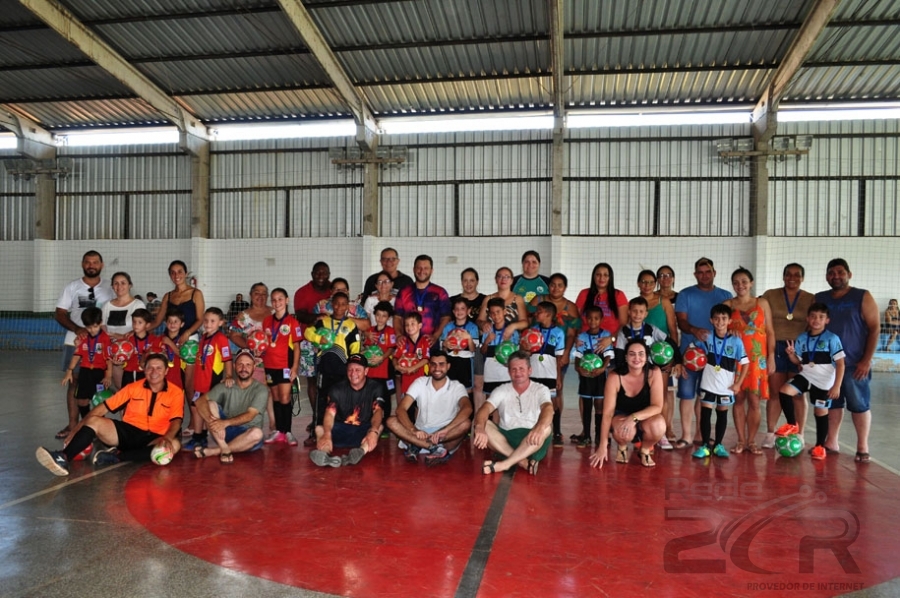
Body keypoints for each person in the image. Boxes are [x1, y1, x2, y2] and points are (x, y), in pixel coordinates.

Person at [36, 353, 184, 476]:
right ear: (144, 370)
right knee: (94, 420)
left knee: (175, 444)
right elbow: (102, 408)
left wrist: (167, 438)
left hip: (155, 438)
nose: (154, 372)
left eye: (159, 368)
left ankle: (115, 457)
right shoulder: (132, 388)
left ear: (166, 371)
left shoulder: (176, 393)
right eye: (150, 368)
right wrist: (76, 429)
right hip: (128, 433)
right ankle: (64, 457)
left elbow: (176, 421)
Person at [815, 258, 879, 463]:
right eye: (831, 273)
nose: (836, 276)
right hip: (827, 365)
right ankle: (831, 442)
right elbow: (813, 327)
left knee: (859, 404)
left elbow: (875, 328)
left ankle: (862, 446)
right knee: (832, 403)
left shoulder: (862, 296)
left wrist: (866, 360)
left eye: (840, 272)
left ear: (849, 275)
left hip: (854, 364)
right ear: (826, 277)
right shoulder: (820, 298)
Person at [55, 250, 115, 440]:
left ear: (101, 265)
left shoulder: (110, 287)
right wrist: (77, 329)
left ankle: (95, 425)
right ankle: (73, 425)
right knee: (74, 383)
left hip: (101, 344)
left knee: (100, 385)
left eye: (95, 262)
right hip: (76, 342)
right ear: (82, 264)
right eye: (88, 262)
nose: (91, 265)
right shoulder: (72, 287)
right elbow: (60, 312)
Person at [674, 257, 732, 450]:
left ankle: (701, 434)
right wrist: (694, 330)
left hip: (715, 358)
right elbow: (681, 321)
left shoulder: (725, 295)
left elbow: (731, 321)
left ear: (714, 273)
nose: (704, 275)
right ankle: (686, 435)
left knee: (704, 396)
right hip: (689, 355)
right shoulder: (685, 294)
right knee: (686, 395)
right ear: (695, 274)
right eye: (700, 272)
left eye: (708, 272)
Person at [614, 296, 683, 450]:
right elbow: (619, 354)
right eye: (634, 311)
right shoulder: (623, 332)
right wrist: (622, 374)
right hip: (631, 375)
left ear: (646, 313)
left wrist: (677, 360)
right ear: (630, 312)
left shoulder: (651, 329)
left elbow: (670, 342)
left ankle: (660, 435)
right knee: (632, 403)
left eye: (641, 311)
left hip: (649, 375)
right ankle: (636, 435)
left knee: (651, 404)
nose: (637, 314)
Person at [780, 303, 846, 460]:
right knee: (784, 391)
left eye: (821, 317)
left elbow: (841, 364)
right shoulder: (802, 338)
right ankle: (791, 424)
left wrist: (836, 386)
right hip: (806, 376)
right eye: (814, 316)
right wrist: (791, 355)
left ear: (827, 320)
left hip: (824, 383)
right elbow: (799, 361)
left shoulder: (832, 338)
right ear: (808, 319)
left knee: (820, 412)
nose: (817, 320)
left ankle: (819, 447)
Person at [760, 263, 816, 446]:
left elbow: (815, 322)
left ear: (802, 278)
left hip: (798, 348)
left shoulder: (810, 298)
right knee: (775, 392)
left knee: (798, 394)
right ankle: (770, 433)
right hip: (775, 346)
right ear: (783, 276)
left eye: (797, 275)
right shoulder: (770, 295)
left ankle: (799, 433)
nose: (792, 278)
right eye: (788, 274)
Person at [589, 338, 666, 469]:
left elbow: (657, 406)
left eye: (641, 354)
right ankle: (622, 447)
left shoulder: (654, 372)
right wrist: (602, 446)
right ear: (625, 357)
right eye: (632, 354)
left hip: (646, 416)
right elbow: (607, 414)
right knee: (623, 430)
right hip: (622, 416)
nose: (637, 358)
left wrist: (633, 418)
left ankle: (645, 449)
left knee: (658, 425)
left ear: (647, 357)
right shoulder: (615, 376)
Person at [386, 351, 473, 466]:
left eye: (441, 364)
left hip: (444, 437)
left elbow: (467, 408)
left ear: (448, 366)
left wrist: (446, 430)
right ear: (429, 366)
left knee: (466, 423)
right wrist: (414, 430)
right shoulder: (420, 382)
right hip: (420, 434)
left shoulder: (457, 386)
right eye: (433, 364)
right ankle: (432, 448)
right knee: (391, 421)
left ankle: (419, 446)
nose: (437, 368)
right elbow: (401, 409)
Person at [474, 351, 553, 476]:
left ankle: (504, 464)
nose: (518, 373)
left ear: (530, 370)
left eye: (522, 368)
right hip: (506, 441)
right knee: (484, 424)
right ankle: (523, 462)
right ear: (509, 372)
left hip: (532, 440)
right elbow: (485, 408)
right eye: (514, 369)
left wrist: (539, 427)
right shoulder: (502, 390)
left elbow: (548, 408)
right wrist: (479, 428)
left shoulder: (540, 389)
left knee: (546, 427)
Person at [724, 267, 775, 455]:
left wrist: (771, 356)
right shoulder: (727, 304)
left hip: (757, 360)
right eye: (736, 282)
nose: (740, 285)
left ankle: (752, 441)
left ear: (751, 283)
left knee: (754, 401)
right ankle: (740, 440)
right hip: (736, 359)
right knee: (738, 399)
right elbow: (720, 329)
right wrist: (729, 331)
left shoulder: (762, 303)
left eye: (744, 281)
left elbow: (770, 332)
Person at [692, 304, 749, 459]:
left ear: (730, 320)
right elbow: (693, 352)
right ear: (711, 320)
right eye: (716, 318)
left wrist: (738, 384)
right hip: (708, 383)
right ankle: (705, 445)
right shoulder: (707, 337)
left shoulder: (736, 341)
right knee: (705, 413)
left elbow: (745, 363)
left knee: (722, 414)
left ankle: (718, 445)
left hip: (726, 386)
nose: (720, 321)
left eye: (724, 318)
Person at [192, 350, 269, 463]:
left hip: (247, 435)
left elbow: (250, 415)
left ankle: (215, 451)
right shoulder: (227, 385)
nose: (244, 368)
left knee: (257, 433)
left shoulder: (261, 390)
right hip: (222, 433)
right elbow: (199, 402)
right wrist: (213, 422)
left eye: (248, 365)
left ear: (254, 367)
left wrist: (225, 423)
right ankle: (224, 447)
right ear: (234, 366)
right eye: (240, 364)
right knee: (210, 404)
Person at [310, 355, 385, 468]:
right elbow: (330, 413)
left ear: (366, 371)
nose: (353, 373)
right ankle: (325, 455)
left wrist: (373, 431)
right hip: (341, 429)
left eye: (357, 370)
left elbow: (378, 411)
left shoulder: (376, 388)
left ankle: (359, 452)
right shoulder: (336, 389)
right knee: (319, 429)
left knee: (379, 427)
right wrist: (327, 433)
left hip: (363, 432)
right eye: (350, 369)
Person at [305, 291, 363, 435]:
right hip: (324, 368)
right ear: (332, 305)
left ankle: (342, 429)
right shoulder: (323, 322)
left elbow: (355, 349)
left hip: (342, 370)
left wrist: (354, 368)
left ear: (347, 307)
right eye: (336, 303)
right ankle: (317, 430)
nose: (339, 307)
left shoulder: (351, 325)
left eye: (343, 304)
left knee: (343, 399)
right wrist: (318, 339)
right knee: (322, 399)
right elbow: (307, 332)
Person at [61, 306, 113, 462]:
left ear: (100, 323)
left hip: (98, 373)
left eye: (95, 326)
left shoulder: (105, 339)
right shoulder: (83, 338)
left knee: (99, 402)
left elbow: (109, 359)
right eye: (89, 327)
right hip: (85, 372)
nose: (92, 330)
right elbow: (77, 354)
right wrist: (70, 370)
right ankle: (87, 424)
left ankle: (100, 430)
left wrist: (108, 375)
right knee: (81, 401)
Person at [636, 270, 679, 445]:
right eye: (643, 282)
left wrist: (673, 358)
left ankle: (665, 430)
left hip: (662, 355)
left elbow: (673, 329)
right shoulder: (636, 304)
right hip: (641, 358)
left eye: (650, 282)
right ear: (638, 283)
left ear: (656, 284)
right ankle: (642, 430)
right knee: (642, 393)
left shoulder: (665, 302)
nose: (647, 285)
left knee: (662, 394)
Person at [183, 308, 233, 451]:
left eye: (212, 321)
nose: (208, 323)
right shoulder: (203, 337)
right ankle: (200, 437)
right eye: (205, 320)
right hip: (200, 381)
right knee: (197, 408)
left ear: (220, 322)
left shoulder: (221, 339)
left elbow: (228, 359)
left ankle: (199, 438)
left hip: (212, 382)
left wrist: (229, 376)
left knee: (203, 408)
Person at [293, 262, 332, 442]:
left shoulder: (333, 291)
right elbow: (300, 314)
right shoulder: (302, 292)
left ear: (329, 274)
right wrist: (318, 318)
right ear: (312, 273)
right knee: (312, 381)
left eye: (324, 272)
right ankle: (317, 417)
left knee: (332, 381)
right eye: (318, 272)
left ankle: (329, 418)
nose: (321, 275)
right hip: (309, 342)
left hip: (331, 341)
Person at [227, 283, 274, 432]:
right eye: (256, 293)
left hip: (273, 360)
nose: (260, 296)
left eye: (263, 293)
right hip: (253, 362)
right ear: (250, 295)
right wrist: (249, 348)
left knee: (272, 392)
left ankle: (273, 424)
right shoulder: (243, 316)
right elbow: (233, 335)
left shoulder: (274, 312)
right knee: (252, 391)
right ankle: (250, 424)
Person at [529, 272, 581, 398]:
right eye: (552, 285)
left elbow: (571, 333)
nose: (556, 288)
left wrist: (566, 354)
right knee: (533, 390)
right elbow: (527, 319)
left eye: (560, 285)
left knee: (556, 390)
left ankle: (555, 417)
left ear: (565, 288)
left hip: (558, 352)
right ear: (548, 286)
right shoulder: (538, 300)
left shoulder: (570, 306)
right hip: (536, 353)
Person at [261, 288, 302, 446]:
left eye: (280, 299)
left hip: (285, 365)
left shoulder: (292, 322)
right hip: (270, 366)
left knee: (285, 398)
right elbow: (264, 343)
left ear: (287, 300)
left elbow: (297, 347)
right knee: (276, 398)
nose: (277, 302)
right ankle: (279, 431)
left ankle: (288, 431)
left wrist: (295, 367)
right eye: (274, 300)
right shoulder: (266, 321)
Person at [525, 301, 566, 447]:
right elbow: (526, 351)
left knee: (552, 404)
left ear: (548, 314)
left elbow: (559, 358)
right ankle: (534, 430)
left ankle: (556, 432)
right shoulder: (533, 330)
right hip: (534, 373)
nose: (536, 313)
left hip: (550, 375)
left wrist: (558, 377)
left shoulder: (559, 333)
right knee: (534, 403)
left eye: (539, 311)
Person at [572, 305, 614, 448]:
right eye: (590, 318)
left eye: (596, 318)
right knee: (587, 406)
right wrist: (578, 367)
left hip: (600, 376)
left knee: (599, 406)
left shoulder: (606, 335)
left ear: (601, 319)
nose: (593, 321)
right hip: (586, 376)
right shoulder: (582, 336)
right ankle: (587, 436)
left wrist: (603, 368)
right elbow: (578, 355)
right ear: (586, 319)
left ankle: (599, 436)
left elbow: (608, 355)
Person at [393, 255, 451, 347]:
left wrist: (435, 336)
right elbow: (397, 317)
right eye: (419, 268)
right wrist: (399, 335)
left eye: (426, 268)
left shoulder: (440, 292)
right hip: (407, 344)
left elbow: (446, 318)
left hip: (431, 344)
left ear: (432, 270)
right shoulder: (404, 292)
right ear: (413, 269)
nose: (422, 271)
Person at [150, 260, 205, 345]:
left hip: (190, 338)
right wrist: (140, 329)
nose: (176, 275)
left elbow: (200, 319)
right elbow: (157, 321)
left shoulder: (196, 294)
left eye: (180, 272)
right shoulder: (167, 296)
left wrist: (188, 332)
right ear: (170, 276)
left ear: (186, 274)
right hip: (170, 338)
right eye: (173, 273)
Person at [480, 297, 521, 399]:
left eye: (498, 312)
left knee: (507, 402)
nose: (496, 315)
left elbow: (517, 355)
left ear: (505, 312)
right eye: (493, 313)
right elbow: (482, 351)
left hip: (506, 374)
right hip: (490, 374)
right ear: (489, 315)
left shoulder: (512, 332)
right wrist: (486, 342)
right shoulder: (487, 331)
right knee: (491, 402)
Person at [363, 301, 398, 418]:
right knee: (371, 395)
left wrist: (381, 357)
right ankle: (370, 420)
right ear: (374, 315)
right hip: (372, 371)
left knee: (386, 396)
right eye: (378, 315)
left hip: (385, 370)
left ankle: (386, 422)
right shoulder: (370, 331)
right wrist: (369, 352)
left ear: (388, 317)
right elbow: (366, 346)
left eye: (384, 316)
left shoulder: (391, 331)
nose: (380, 318)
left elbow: (391, 349)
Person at [440, 297, 480, 395]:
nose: (459, 311)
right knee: (450, 389)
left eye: (462, 308)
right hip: (451, 361)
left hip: (466, 363)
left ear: (468, 311)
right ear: (453, 311)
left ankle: (466, 409)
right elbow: (443, 349)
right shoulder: (448, 327)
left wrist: (469, 338)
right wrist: (445, 344)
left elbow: (473, 350)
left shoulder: (473, 327)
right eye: (457, 309)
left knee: (466, 390)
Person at [575, 262, 627, 336]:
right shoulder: (584, 294)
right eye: (598, 275)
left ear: (610, 278)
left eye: (605, 275)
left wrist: (611, 339)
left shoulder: (619, 295)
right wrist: (577, 338)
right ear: (593, 277)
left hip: (610, 344)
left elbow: (624, 324)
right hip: (585, 342)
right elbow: (576, 320)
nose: (601, 278)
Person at [476, 267, 529, 339]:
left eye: (507, 277)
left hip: (512, 341)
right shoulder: (488, 299)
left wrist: (513, 326)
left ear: (512, 280)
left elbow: (525, 323)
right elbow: (479, 320)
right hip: (491, 340)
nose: (503, 279)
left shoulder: (517, 299)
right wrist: (483, 324)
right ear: (496, 280)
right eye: (500, 276)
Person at [394, 312, 431, 395]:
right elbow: (395, 357)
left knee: (420, 405)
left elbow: (426, 359)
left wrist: (413, 368)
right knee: (408, 404)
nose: (409, 327)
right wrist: (396, 366)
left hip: (421, 380)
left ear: (420, 325)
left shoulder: (424, 341)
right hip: (406, 381)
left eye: (412, 324)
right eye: (406, 325)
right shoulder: (403, 342)